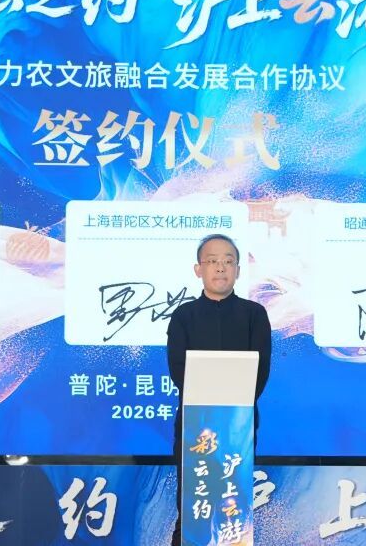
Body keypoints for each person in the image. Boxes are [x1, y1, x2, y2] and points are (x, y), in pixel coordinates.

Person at [166, 234, 272, 545]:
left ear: (238, 270)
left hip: (239, 425)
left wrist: (236, 404)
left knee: (233, 504)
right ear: (198, 269)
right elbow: (178, 370)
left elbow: (260, 370)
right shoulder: (183, 315)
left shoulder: (255, 314)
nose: (220, 267)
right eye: (212, 261)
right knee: (193, 504)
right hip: (195, 426)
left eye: (228, 261)